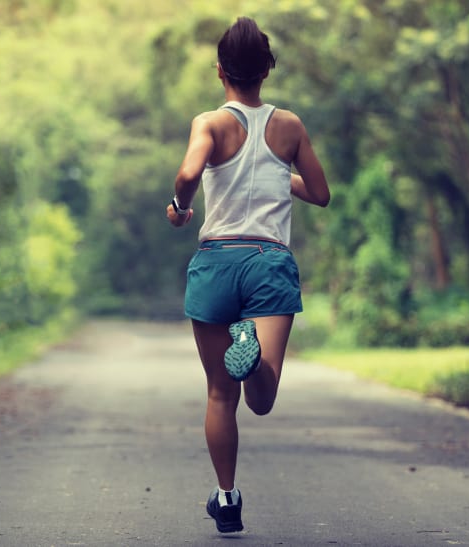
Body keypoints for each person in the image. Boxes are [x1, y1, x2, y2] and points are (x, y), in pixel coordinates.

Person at [165, 16, 330, 534]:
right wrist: (283, 175)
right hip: (268, 262)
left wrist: (179, 206)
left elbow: (190, 173)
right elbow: (321, 193)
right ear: (268, 69)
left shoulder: (210, 123)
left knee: (219, 394)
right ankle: (254, 360)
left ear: (220, 72)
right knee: (261, 399)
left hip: (216, 261)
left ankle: (227, 498)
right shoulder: (290, 126)